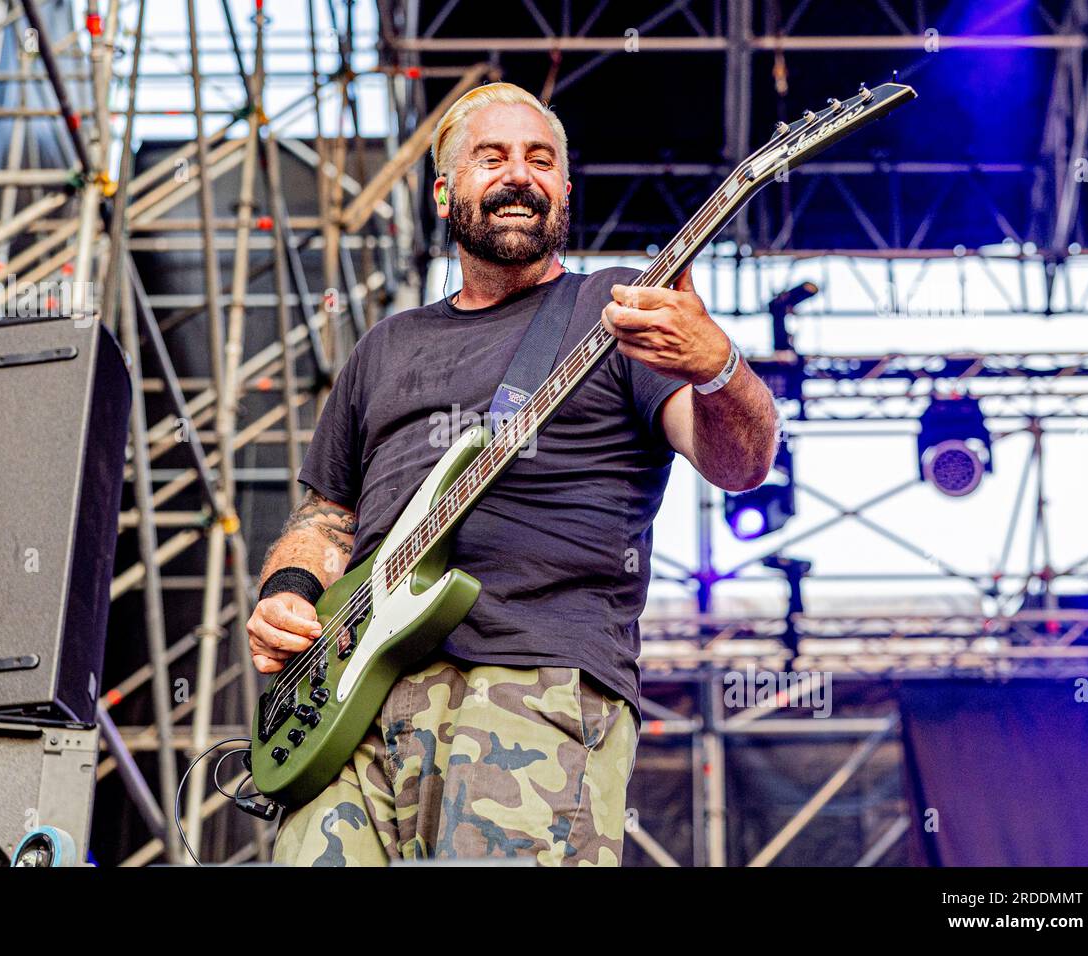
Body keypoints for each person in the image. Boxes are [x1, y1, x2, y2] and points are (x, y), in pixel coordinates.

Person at [248, 82, 779, 866]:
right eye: (491, 157)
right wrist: (285, 594)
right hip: (349, 709)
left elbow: (739, 465)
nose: (519, 174)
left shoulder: (615, 310)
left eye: (541, 159)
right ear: (444, 192)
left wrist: (718, 367)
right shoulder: (386, 347)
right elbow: (326, 517)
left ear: (565, 189)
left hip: (533, 682)